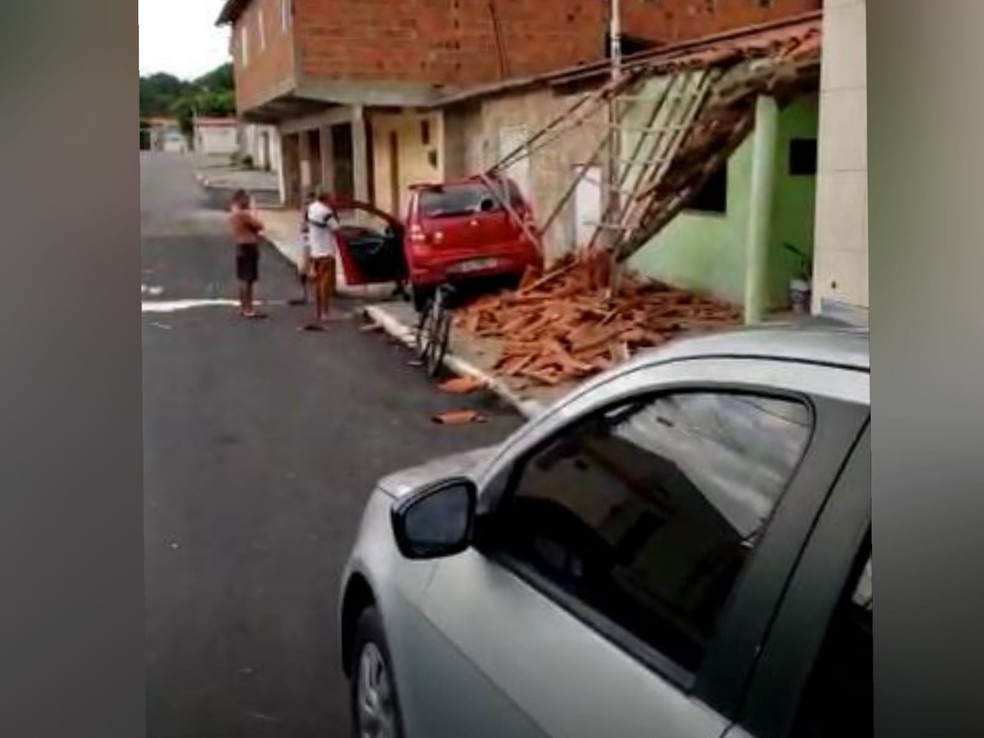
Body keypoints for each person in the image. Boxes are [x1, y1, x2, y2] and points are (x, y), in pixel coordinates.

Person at [302, 188, 341, 330]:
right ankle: (325, 313)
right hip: (326, 251)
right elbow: (336, 228)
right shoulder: (326, 212)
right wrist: (334, 211)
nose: (334, 199)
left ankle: (319, 311)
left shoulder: (312, 207)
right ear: (327, 198)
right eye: (332, 197)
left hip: (315, 250)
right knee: (325, 283)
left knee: (319, 283)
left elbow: (306, 223)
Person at [228, 189, 266, 319]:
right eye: (248, 200)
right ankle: (248, 308)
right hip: (248, 246)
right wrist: (254, 211)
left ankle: (244, 306)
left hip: (240, 246)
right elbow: (259, 225)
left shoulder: (234, 214)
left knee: (243, 278)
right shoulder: (243, 215)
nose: (249, 202)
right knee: (248, 279)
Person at [289, 190, 316, 306]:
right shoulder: (307, 211)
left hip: (312, 242)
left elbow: (309, 227)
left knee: (306, 269)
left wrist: (305, 227)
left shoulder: (314, 211)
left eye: (307, 199)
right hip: (307, 241)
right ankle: (307, 295)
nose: (305, 202)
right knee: (304, 269)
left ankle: (309, 296)